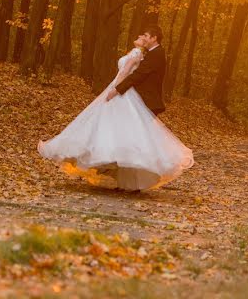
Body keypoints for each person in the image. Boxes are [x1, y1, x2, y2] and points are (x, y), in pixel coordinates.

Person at [38, 26, 193, 191]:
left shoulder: (156, 54)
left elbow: (137, 75)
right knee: (125, 137)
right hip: (133, 95)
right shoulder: (148, 53)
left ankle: (131, 182)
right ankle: (125, 182)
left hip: (138, 97)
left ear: (154, 38)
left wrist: (116, 89)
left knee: (134, 138)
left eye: (146, 35)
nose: (143, 37)